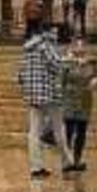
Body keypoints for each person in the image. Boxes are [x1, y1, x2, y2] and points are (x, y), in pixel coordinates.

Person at [17, 14, 65, 181]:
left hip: (32, 93)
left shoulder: (27, 47)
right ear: (47, 32)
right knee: (58, 126)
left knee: (33, 131)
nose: (56, 35)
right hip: (47, 92)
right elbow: (58, 64)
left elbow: (21, 73)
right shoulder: (45, 46)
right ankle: (67, 161)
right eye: (54, 32)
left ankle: (35, 167)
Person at [59, 28, 97, 175]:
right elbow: (60, 81)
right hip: (69, 99)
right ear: (72, 46)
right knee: (69, 131)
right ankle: (66, 161)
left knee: (82, 132)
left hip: (85, 100)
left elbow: (95, 75)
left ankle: (77, 160)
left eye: (82, 45)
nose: (80, 48)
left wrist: (94, 81)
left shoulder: (91, 62)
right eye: (77, 45)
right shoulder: (66, 62)